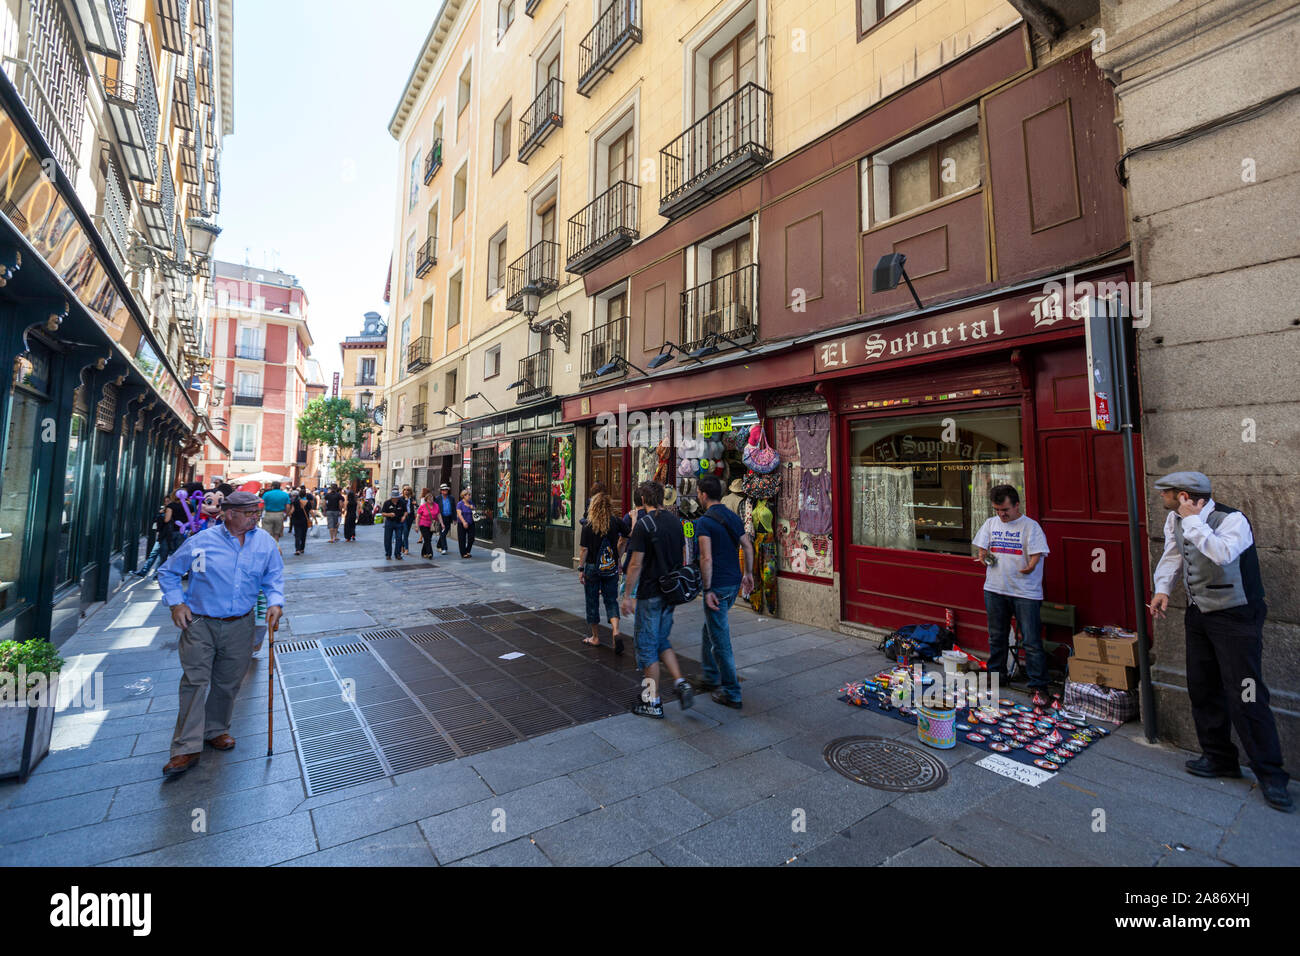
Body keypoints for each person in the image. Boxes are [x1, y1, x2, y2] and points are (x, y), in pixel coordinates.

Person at [1150, 471, 1291, 812]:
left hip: (1236, 616)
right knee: (1203, 686)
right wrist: (1162, 589)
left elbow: (1222, 554)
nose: (1163, 499)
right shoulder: (1175, 519)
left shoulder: (1232, 520)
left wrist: (1193, 522)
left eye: (1167, 494)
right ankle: (1218, 757)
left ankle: (1271, 774)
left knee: (1246, 692)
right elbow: (1174, 554)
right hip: (1200, 613)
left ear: (1184, 496)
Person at [155, 491, 284, 776]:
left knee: (228, 682)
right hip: (200, 623)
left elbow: (273, 577)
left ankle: (216, 730)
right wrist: (176, 603)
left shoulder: (264, 543)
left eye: (256, 511)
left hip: (241, 623)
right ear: (229, 514)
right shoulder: (201, 542)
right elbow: (168, 572)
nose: (255, 516)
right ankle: (185, 748)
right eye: (249, 512)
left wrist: (276, 602)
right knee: (195, 682)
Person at [620, 480, 695, 718]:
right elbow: (684, 553)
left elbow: (635, 564)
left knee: (647, 647)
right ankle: (681, 682)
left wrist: (627, 595)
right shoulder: (676, 522)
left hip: (650, 593)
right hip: (670, 592)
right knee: (662, 640)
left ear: (642, 501)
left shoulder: (644, 525)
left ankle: (652, 701)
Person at [972, 484, 1051, 706]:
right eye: (997, 510)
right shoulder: (990, 523)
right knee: (996, 635)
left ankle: (1039, 685)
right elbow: (982, 550)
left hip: (1025, 592)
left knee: (1031, 640)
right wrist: (985, 558)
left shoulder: (1030, 527)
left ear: (1017, 505)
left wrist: (1031, 566)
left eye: (1005, 509)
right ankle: (997, 674)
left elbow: (1037, 554)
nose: (1001, 514)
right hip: (995, 588)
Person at [693, 475, 755, 708]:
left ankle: (732, 691)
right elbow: (747, 545)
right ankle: (710, 675)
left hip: (717, 585)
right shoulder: (732, 515)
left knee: (721, 641)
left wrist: (707, 589)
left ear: (703, 494)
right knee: (709, 629)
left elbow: (706, 558)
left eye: (698, 492)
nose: (698, 496)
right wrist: (748, 574)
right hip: (732, 583)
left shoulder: (704, 522)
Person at [579, 492, 625, 652]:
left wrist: (580, 568)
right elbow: (625, 538)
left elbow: (584, 550)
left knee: (592, 601)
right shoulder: (616, 522)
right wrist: (619, 557)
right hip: (610, 566)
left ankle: (595, 637)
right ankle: (616, 631)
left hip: (592, 567)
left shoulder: (588, 525)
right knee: (611, 600)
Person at [380, 487, 408, 560]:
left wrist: (404, 516)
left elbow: (405, 511)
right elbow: (383, 513)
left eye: (397, 498)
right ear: (391, 497)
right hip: (389, 522)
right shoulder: (387, 503)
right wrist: (389, 514)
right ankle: (388, 554)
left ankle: (398, 554)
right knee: (387, 539)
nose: (396, 499)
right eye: (394, 498)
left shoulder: (402, 502)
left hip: (399, 522)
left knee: (399, 538)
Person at [288, 485, 314, 556]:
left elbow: (292, 510)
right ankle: (302, 548)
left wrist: (289, 515)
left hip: (296, 520)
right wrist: (315, 519)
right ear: (305, 495)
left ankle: (297, 550)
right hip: (305, 520)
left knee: (297, 535)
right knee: (303, 534)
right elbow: (311, 511)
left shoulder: (295, 502)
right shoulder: (308, 502)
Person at [417, 491, 438, 559]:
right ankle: (430, 553)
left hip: (431, 525)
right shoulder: (423, 506)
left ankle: (423, 552)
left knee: (427, 539)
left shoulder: (436, 505)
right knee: (427, 539)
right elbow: (418, 516)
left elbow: (439, 514)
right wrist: (417, 526)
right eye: (429, 499)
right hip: (423, 524)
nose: (431, 500)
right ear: (426, 499)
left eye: (431, 498)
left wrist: (442, 523)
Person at [435, 483, 455, 555]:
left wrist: (454, 518)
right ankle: (444, 548)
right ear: (441, 491)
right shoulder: (438, 498)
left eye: (446, 489)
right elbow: (435, 508)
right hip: (441, 518)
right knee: (442, 533)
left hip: (448, 518)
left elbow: (453, 508)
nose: (445, 491)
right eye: (443, 490)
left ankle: (438, 545)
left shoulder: (451, 498)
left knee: (444, 533)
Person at [456, 488, 476, 558]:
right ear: (464, 496)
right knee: (462, 539)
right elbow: (459, 514)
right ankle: (463, 553)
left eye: (470, 495)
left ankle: (467, 551)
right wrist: (464, 522)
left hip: (471, 523)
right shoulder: (460, 504)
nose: (470, 496)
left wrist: (471, 507)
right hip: (462, 523)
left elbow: (474, 510)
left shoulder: (471, 503)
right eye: (468, 495)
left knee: (471, 538)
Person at [400, 484, 416, 556]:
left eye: (408, 490)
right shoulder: (401, 499)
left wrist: (415, 504)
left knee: (407, 533)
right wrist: (406, 500)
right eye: (405, 490)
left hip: (410, 517)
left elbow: (416, 506)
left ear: (410, 491)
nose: (406, 491)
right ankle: (406, 548)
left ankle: (402, 546)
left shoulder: (412, 498)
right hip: (404, 517)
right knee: (405, 532)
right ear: (403, 491)